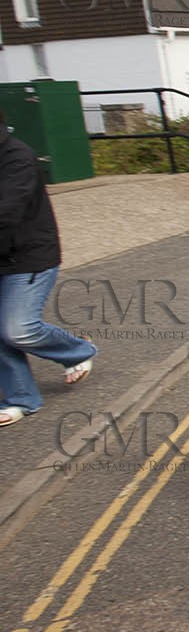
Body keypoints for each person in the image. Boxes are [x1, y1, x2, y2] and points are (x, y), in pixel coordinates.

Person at [0, 107, 97, 427]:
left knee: (17, 329)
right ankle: (21, 399)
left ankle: (78, 350)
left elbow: (7, 212)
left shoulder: (17, 158)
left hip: (27, 258)